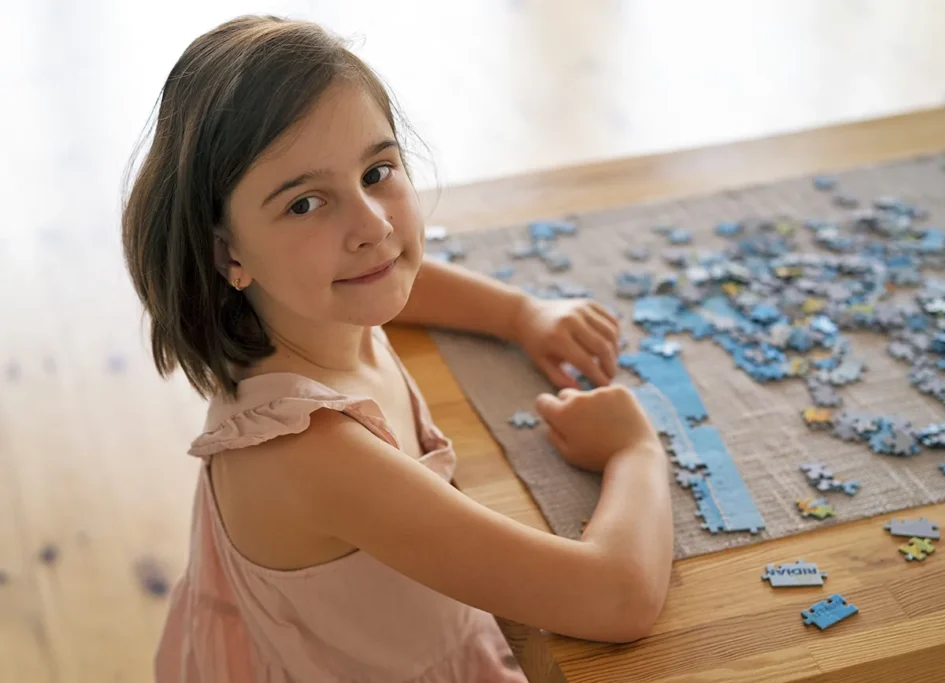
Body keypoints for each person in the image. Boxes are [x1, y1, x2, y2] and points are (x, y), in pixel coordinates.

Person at [121, 14, 673, 682]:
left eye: (378, 170)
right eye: (304, 204)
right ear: (226, 252)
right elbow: (617, 597)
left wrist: (522, 312)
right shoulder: (311, 455)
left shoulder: (309, 307)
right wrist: (634, 449)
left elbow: (402, 274)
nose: (371, 224)